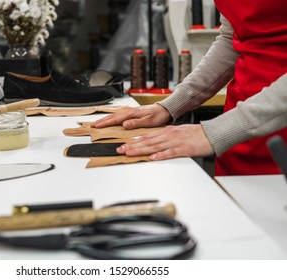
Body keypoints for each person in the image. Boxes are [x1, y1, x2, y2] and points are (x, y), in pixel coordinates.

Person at [93, 0, 287, 176]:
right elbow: (232, 38)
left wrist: (213, 132)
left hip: (273, 124)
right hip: (235, 134)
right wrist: (170, 105)